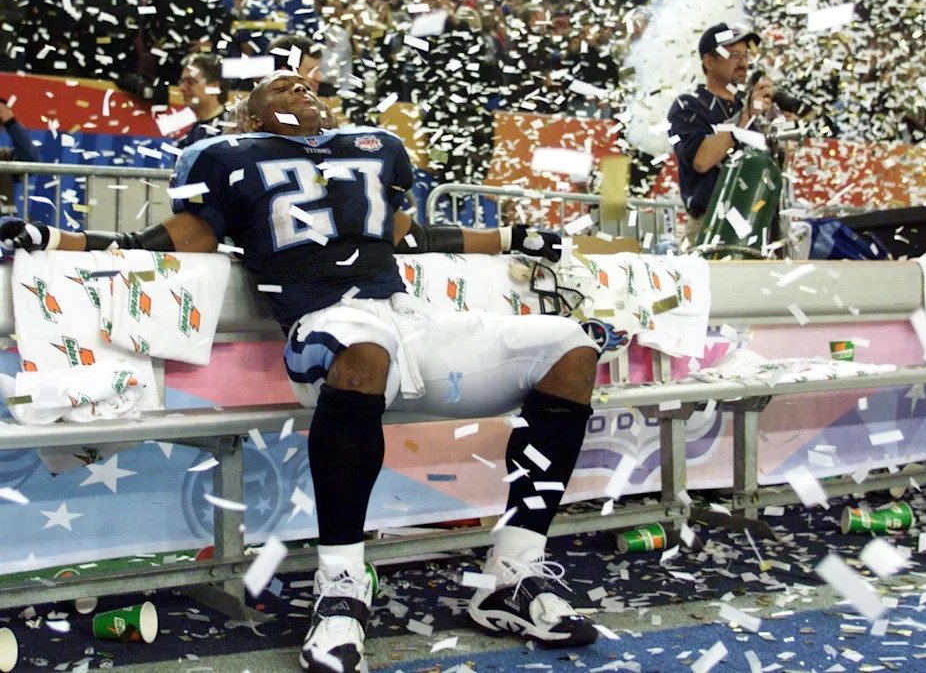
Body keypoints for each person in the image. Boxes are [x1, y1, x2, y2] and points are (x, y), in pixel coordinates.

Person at [0, 71, 603, 673]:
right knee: (364, 350)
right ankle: (341, 584)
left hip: (406, 317)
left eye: (305, 84)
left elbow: (408, 234)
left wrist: (512, 236)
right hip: (322, 324)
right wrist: (58, 238)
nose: (299, 88)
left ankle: (511, 572)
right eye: (281, 87)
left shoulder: (373, 147)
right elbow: (174, 238)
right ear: (249, 117)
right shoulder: (226, 155)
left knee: (569, 347)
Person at [666, 23, 770, 246]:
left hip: (755, 220)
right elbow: (702, 160)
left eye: (745, 55)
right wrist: (744, 119)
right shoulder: (689, 106)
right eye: (734, 55)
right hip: (710, 223)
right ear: (709, 61)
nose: (743, 63)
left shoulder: (747, 108)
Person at [176, 53, 231, 148]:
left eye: (190, 82)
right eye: (182, 82)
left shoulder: (229, 131)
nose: (182, 88)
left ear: (214, 86)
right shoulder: (192, 131)